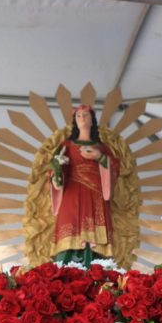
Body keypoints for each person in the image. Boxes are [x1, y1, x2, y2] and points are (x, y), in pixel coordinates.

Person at [49, 104, 119, 264]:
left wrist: (100, 157)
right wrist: (57, 169)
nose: (82, 118)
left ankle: (95, 270)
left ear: (92, 120)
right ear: (74, 120)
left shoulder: (102, 148)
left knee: (94, 242)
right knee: (69, 237)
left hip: (96, 196)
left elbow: (115, 169)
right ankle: (64, 271)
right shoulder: (66, 146)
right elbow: (55, 172)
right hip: (71, 195)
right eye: (79, 115)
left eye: (85, 115)